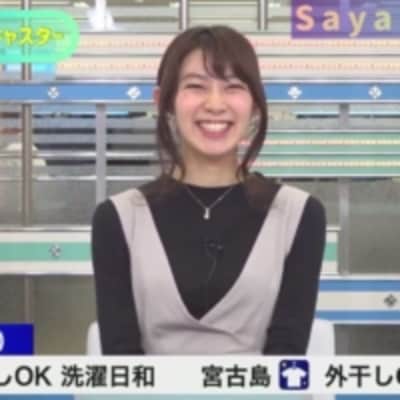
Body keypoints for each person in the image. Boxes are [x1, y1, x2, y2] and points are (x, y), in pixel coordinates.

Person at [91, 25, 326, 355]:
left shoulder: (299, 214)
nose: (215, 104)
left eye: (233, 87)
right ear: (164, 102)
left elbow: (287, 356)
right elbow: (121, 361)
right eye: (196, 86)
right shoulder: (119, 218)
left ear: (255, 104)